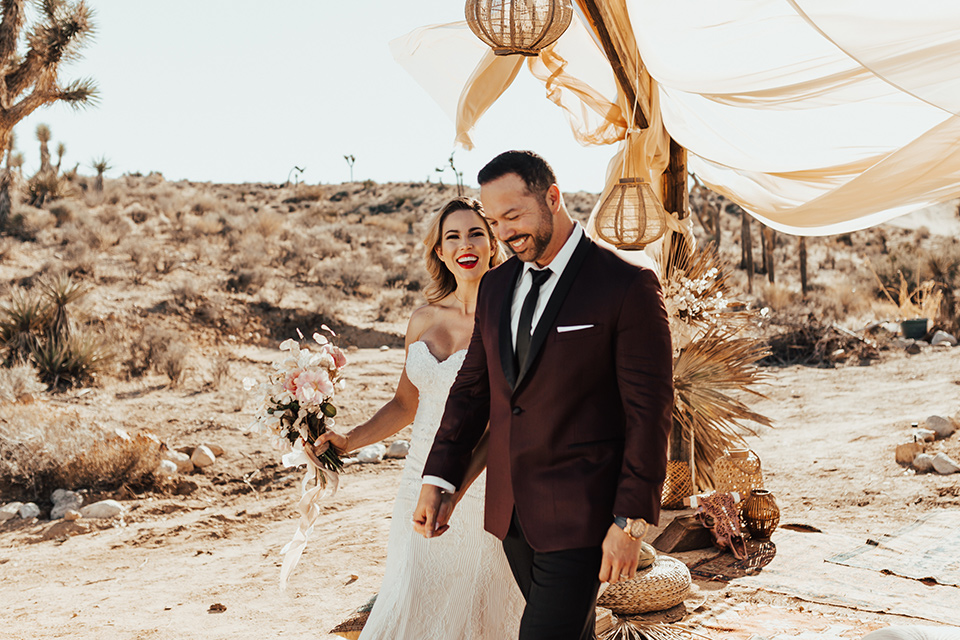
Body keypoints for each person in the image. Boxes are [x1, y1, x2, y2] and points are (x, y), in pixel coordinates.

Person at [413, 151, 674, 640]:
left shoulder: (625, 284)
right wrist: (441, 476)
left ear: (552, 198)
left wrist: (631, 521)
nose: (504, 233)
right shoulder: (495, 286)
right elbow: (472, 391)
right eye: (495, 221)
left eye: (513, 216)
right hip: (512, 516)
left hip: (584, 515)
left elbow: (650, 414)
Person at [312, 197, 524, 639]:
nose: (465, 244)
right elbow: (405, 405)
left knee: (478, 600)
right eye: (452, 237)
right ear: (440, 253)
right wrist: (348, 441)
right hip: (417, 478)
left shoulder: (511, 318)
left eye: (475, 233)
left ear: (492, 245)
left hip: (479, 481)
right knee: (414, 593)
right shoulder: (423, 319)